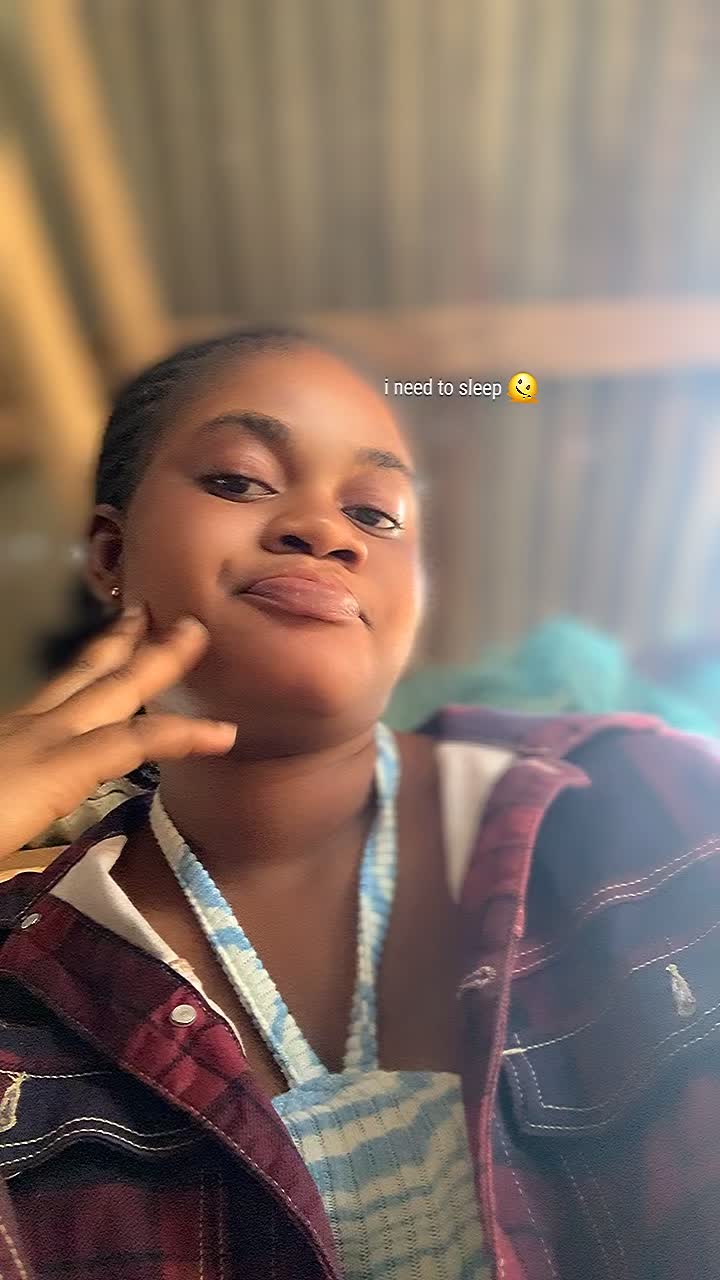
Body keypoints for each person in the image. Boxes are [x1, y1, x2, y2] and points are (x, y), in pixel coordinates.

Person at [0, 330, 718, 1280]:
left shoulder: (651, 804)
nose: (325, 531)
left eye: (376, 514)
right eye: (240, 480)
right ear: (110, 552)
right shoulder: (20, 977)